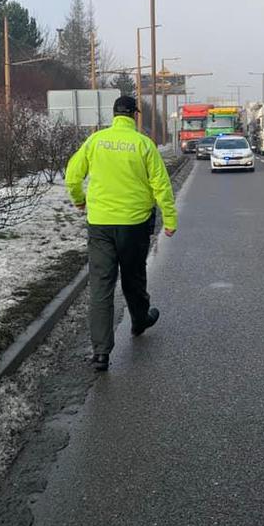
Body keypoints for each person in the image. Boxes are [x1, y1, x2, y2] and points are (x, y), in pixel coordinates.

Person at [65, 95, 178, 371]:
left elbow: (72, 175)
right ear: (134, 116)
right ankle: (140, 320)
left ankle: (101, 352)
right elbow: (161, 184)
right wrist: (170, 219)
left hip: (100, 223)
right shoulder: (143, 144)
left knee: (101, 284)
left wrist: (79, 200)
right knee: (133, 277)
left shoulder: (95, 141)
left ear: (114, 114)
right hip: (134, 223)